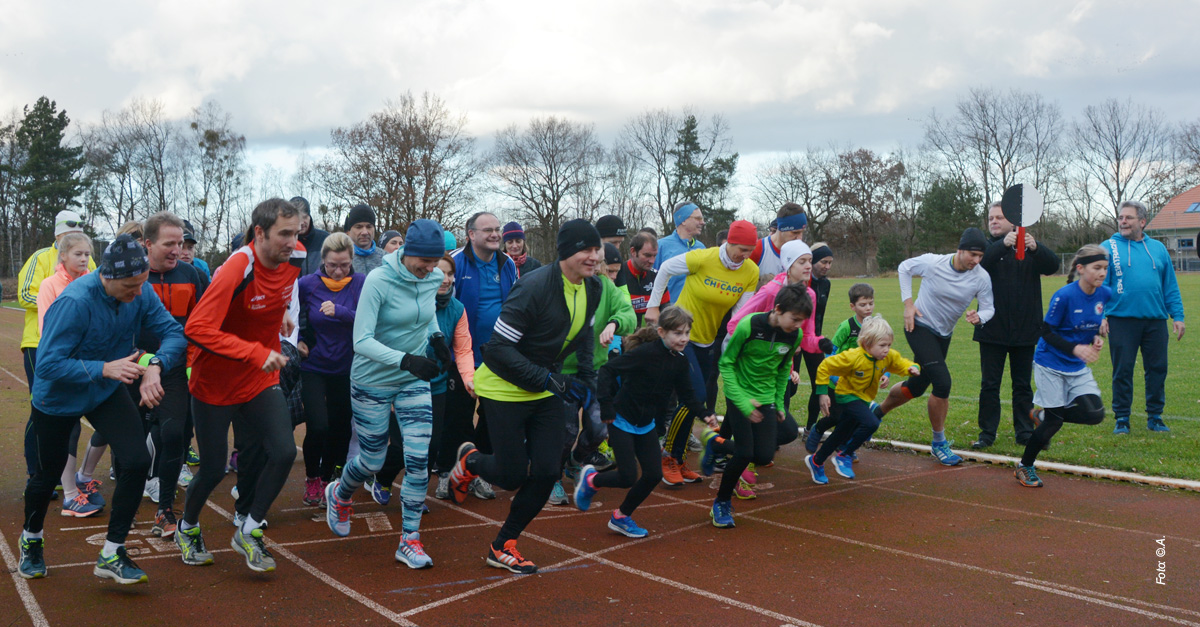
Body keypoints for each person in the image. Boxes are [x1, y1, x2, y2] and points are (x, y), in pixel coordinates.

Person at [19, 234, 185, 584]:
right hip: (59, 397)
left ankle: (112, 551)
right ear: (107, 277)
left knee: (137, 460)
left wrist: (156, 364)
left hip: (104, 391)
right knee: (47, 476)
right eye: (130, 285)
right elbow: (47, 364)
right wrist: (103, 368)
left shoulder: (140, 291)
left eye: (142, 284)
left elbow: (173, 332)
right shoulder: (75, 301)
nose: (139, 293)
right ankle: (31, 538)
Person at [448, 219, 602, 574]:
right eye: (586, 249)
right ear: (566, 252)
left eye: (596, 250)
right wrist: (547, 378)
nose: (594, 257)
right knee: (512, 474)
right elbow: (498, 349)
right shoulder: (534, 286)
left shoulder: (592, 288)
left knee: (548, 471)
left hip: (545, 388)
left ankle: (503, 544)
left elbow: (586, 338)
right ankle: (470, 462)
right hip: (503, 388)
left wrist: (590, 385)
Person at [178, 198, 302, 573]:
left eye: (296, 233)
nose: (293, 241)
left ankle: (249, 528)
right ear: (260, 232)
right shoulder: (237, 266)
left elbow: (272, 296)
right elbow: (196, 329)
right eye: (284, 233)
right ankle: (187, 527)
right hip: (215, 382)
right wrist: (252, 350)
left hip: (259, 378)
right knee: (214, 468)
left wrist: (277, 318)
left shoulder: (294, 258)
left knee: (283, 452)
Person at [324, 220, 448, 569]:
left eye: (435, 261)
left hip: (413, 381)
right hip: (372, 379)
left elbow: (427, 318)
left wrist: (437, 339)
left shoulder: (433, 278)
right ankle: (341, 492)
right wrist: (407, 360)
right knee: (373, 460)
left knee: (419, 458)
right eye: (424, 261)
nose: (429, 269)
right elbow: (360, 341)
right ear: (407, 251)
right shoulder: (379, 280)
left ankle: (409, 539)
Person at [573, 310, 709, 537]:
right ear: (661, 332)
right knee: (627, 476)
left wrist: (705, 414)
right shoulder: (645, 353)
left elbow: (687, 394)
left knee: (653, 475)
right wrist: (606, 406)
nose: (684, 338)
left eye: (687, 332)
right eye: (678, 333)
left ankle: (621, 517)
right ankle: (592, 479)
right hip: (620, 419)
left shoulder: (680, 362)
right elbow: (607, 370)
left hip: (646, 424)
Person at [646, 220, 760, 486]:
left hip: (708, 341)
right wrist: (654, 307)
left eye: (749, 250)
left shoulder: (750, 271)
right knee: (694, 395)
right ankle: (669, 457)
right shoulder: (703, 258)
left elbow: (739, 314)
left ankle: (679, 458)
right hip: (682, 338)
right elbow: (664, 269)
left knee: (701, 398)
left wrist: (734, 344)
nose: (744, 255)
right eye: (741, 249)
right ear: (728, 243)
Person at [874, 228, 994, 466]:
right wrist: (908, 304)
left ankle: (875, 414)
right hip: (918, 326)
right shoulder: (933, 263)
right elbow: (904, 268)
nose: (976, 260)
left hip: (943, 335)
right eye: (972, 254)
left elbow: (989, 307)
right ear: (960, 249)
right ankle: (939, 443)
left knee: (916, 387)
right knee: (942, 382)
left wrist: (980, 317)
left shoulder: (981, 277)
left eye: (980, 256)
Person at [699, 284, 808, 528]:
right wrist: (741, 401)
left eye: (802, 321)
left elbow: (783, 371)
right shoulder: (748, 326)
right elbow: (726, 364)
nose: (798, 325)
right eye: (795, 319)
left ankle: (715, 442)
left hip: (767, 397)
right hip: (740, 393)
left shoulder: (794, 335)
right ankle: (721, 503)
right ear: (778, 310)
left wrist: (779, 403)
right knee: (745, 452)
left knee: (764, 455)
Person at [373, 253, 474, 505]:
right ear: (427, 273)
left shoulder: (457, 309)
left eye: (450, 274)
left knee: (431, 445)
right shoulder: (409, 301)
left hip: (436, 386)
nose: (446, 279)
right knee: (400, 445)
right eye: (440, 273)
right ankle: (383, 478)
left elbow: (462, 349)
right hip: (402, 381)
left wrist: (469, 379)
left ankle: (413, 493)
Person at [1015, 246, 1112, 487]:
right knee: (1054, 423)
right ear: (1080, 269)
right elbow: (1046, 331)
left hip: (1076, 365)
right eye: (1097, 268)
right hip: (1050, 363)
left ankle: (1042, 414)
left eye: (1105, 269)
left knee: (1095, 414)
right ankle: (1025, 466)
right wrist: (1076, 348)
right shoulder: (1064, 296)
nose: (1102, 273)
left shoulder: (1104, 294)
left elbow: (1089, 324)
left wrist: (1096, 338)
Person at [138, 212, 208, 540]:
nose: (177, 250)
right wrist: (145, 361)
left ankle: (165, 508)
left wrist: (193, 361)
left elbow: (205, 321)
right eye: (170, 243)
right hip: (132, 367)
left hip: (177, 369)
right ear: (147, 244)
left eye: (181, 243)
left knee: (173, 434)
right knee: (133, 444)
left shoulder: (192, 274)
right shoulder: (134, 277)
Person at [17, 210, 97, 485]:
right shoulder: (41, 257)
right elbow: (25, 293)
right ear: (58, 235)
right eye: (68, 232)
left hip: (81, 348)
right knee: (41, 409)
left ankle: (65, 477)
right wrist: (65, 301)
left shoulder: (89, 259)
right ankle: (36, 474)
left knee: (74, 413)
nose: (83, 257)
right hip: (39, 343)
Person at [972, 201, 1060, 449]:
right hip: (992, 329)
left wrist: (1036, 248)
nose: (994, 222)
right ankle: (987, 433)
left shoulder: (1028, 248)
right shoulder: (986, 247)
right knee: (990, 385)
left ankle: (1024, 432)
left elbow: (1052, 265)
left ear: (1013, 221)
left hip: (1025, 329)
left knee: (1022, 385)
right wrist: (1003, 245)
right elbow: (981, 264)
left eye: (999, 217)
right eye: (991, 218)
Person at [556, 241, 637, 502]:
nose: (614, 277)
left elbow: (629, 314)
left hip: (596, 369)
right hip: (564, 371)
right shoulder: (563, 283)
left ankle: (575, 460)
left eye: (616, 272)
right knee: (565, 431)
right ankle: (552, 476)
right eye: (610, 270)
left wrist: (614, 323)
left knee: (600, 428)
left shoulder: (606, 287)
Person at [34, 232, 104, 518]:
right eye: (78, 254)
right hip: (66, 368)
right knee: (69, 429)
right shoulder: (50, 285)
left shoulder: (96, 282)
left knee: (109, 423)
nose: (84, 259)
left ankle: (84, 477)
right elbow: (47, 330)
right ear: (63, 255)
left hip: (95, 364)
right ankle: (71, 495)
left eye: (87, 254)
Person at [448, 211, 517, 500]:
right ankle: (450, 470)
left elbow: (515, 303)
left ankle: (475, 470)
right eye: (487, 229)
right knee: (459, 416)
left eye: (497, 229)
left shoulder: (507, 263)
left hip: (498, 356)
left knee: (493, 415)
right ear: (471, 234)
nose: (495, 234)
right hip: (461, 355)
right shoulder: (455, 262)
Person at [1102, 200, 1185, 434]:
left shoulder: (1158, 249)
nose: (1123, 221)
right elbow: (1097, 286)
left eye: (1128, 218)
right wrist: (1100, 316)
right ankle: (1122, 418)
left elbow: (1170, 286)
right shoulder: (1108, 247)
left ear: (1142, 221)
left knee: (1158, 368)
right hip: (1121, 320)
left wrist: (1177, 316)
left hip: (1155, 321)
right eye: (1120, 217)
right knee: (1123, 370)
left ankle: (1155, 417)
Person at [806, 316, 921, 484]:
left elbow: (901, 363)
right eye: (882, 345)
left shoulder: (886, 357)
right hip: (847, 395)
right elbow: (825, 366)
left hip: (864, 399)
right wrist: (823, 392)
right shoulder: (853, 357)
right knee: (872, 422)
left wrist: (913, 368)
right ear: (867, 344)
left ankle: (816, 461)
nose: (886, 350)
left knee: (840, 433)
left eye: (889, 345)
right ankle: (844, 456)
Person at [297, 233, 365, 506]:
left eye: (345, 265)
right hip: (313, 365)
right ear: (322, 260)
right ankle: (312, 477)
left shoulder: (360, 283)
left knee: (340, 427)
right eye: (333, 265)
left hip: (347, 366)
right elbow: (291, 315)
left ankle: (328, 478)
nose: (338, 271)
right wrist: (300, 339)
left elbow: (370, 319)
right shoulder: (307, 284)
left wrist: (340, 311)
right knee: (318, 426)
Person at [804, 283, 881, 455]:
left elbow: (883, 352)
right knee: (836, 416)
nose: (868, 308)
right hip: (838, 381)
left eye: (871, 303)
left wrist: (886, 374)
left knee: (854, 417)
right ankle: (817, 430)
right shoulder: (846, 327)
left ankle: (844, 447)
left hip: (859, 383)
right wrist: (834, 377)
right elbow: (830, 352)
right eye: (863, 304)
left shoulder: (876, 327)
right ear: (852, 306)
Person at [654, 201, 706, 305]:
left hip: (696, 310)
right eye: (698, 218)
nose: (702, 222)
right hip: (669, 311)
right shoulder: (661, 246)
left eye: (702, 218)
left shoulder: (702, 248)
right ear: (683, 220)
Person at [617, 232, 667, 325]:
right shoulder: (618, 275)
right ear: (633, 252)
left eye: (654, 255)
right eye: (647, 255)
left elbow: (666, 311)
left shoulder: (658, 277)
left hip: (650, 335)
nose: (652, 261)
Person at [749, 203, 807, 277]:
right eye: (795, 232)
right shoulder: (758, 249)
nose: (799, 238)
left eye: (802, 232)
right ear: (781, 229)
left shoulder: (802, 254)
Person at [292, 197, 330, 277]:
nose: (302, 222)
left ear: (309, 216)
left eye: (305, 217)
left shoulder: (325, 239)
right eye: (297, 218)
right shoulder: (284, 242)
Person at [345, 203, 384, 275]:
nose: (365, 232)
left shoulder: (386, 259)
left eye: (369, 227)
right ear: (348, 231)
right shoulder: (338, 259)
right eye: (358, 227)